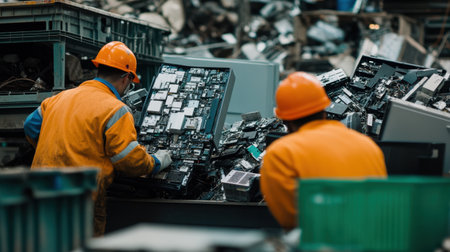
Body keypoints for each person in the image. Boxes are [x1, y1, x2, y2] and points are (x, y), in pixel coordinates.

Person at [23, 41, 172, 236]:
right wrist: (157, 162)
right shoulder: (115, 110)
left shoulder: (58, 98)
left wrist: (55, 147)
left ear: (99, 69)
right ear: (127, 78)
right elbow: (129, 160)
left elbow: (30, 126)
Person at [260, 72, 387, 230]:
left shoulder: (281, 154)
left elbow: (290, 221)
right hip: (373, 242)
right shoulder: (368, 145)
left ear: (286, 121)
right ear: (325, 109)